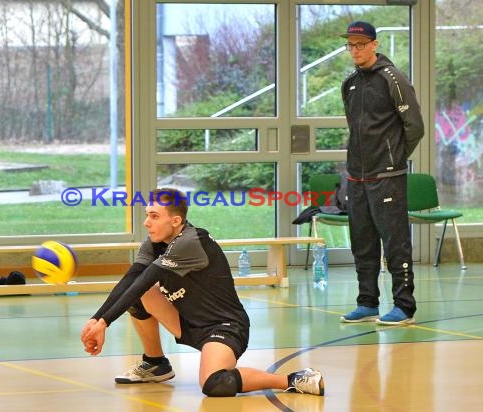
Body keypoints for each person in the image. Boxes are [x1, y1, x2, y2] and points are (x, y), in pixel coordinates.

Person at [81, 188, 325, 397]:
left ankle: (293, 379)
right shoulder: (154, 242)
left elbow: (146, 279)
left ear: (175, 221)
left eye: (154, 216)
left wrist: (105, 322)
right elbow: (131, 280)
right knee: (139, 297)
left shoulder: (190, 241)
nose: (147, 222)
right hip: (188, 322)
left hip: (224, 327)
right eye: (147, 215)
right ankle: (155, 364)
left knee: (214, 384)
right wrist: (97, 319)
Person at [339, 21, 425, 325]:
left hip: (387, 176)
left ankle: (404, 306)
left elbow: (415, 128)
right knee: (362, 242)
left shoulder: (393, 79)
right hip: (357, 178)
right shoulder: (349, 83)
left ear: (374, 44)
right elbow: (355, 130)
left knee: (395, 242)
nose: (355, 50)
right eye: (351, 45)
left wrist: (393, 159)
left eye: (361, 44)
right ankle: (367, 302)